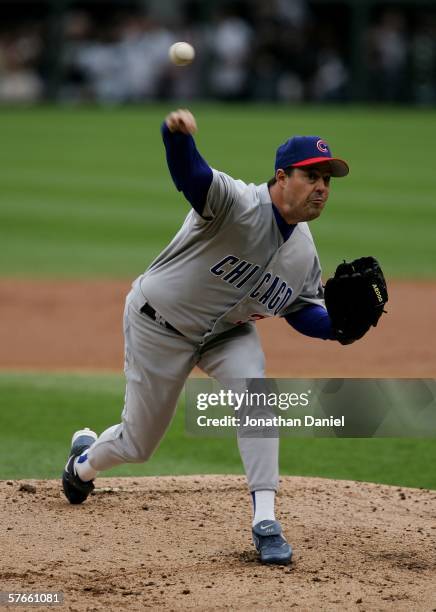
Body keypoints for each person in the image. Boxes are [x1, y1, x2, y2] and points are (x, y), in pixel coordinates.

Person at [62, 108, 350, 565]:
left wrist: (338, 326)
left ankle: (266, 522)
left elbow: (299, 309)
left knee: (258, 398)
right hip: (160, 324)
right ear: (281, 177)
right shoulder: (236, 202)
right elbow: (192, 176)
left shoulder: (304, 252)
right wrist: (175, 137)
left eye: (327, 180)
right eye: (311, 176)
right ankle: (83, 464)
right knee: (139, 444)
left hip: (226, 336)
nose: (321, 188)